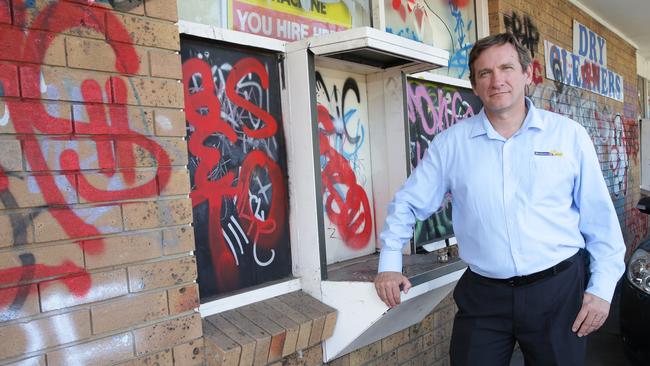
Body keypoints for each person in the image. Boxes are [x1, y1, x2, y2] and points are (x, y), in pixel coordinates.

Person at [374, 32, 626, 366]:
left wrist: (601, 290)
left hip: (558, 292)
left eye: (506, 68)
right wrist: (389, 264)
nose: (497, 81)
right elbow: (408, 202)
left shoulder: (568, 136)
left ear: (527, 75)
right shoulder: (452, 144)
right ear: (475, 85)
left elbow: (601, 222)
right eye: (485, 73)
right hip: (484, 298)